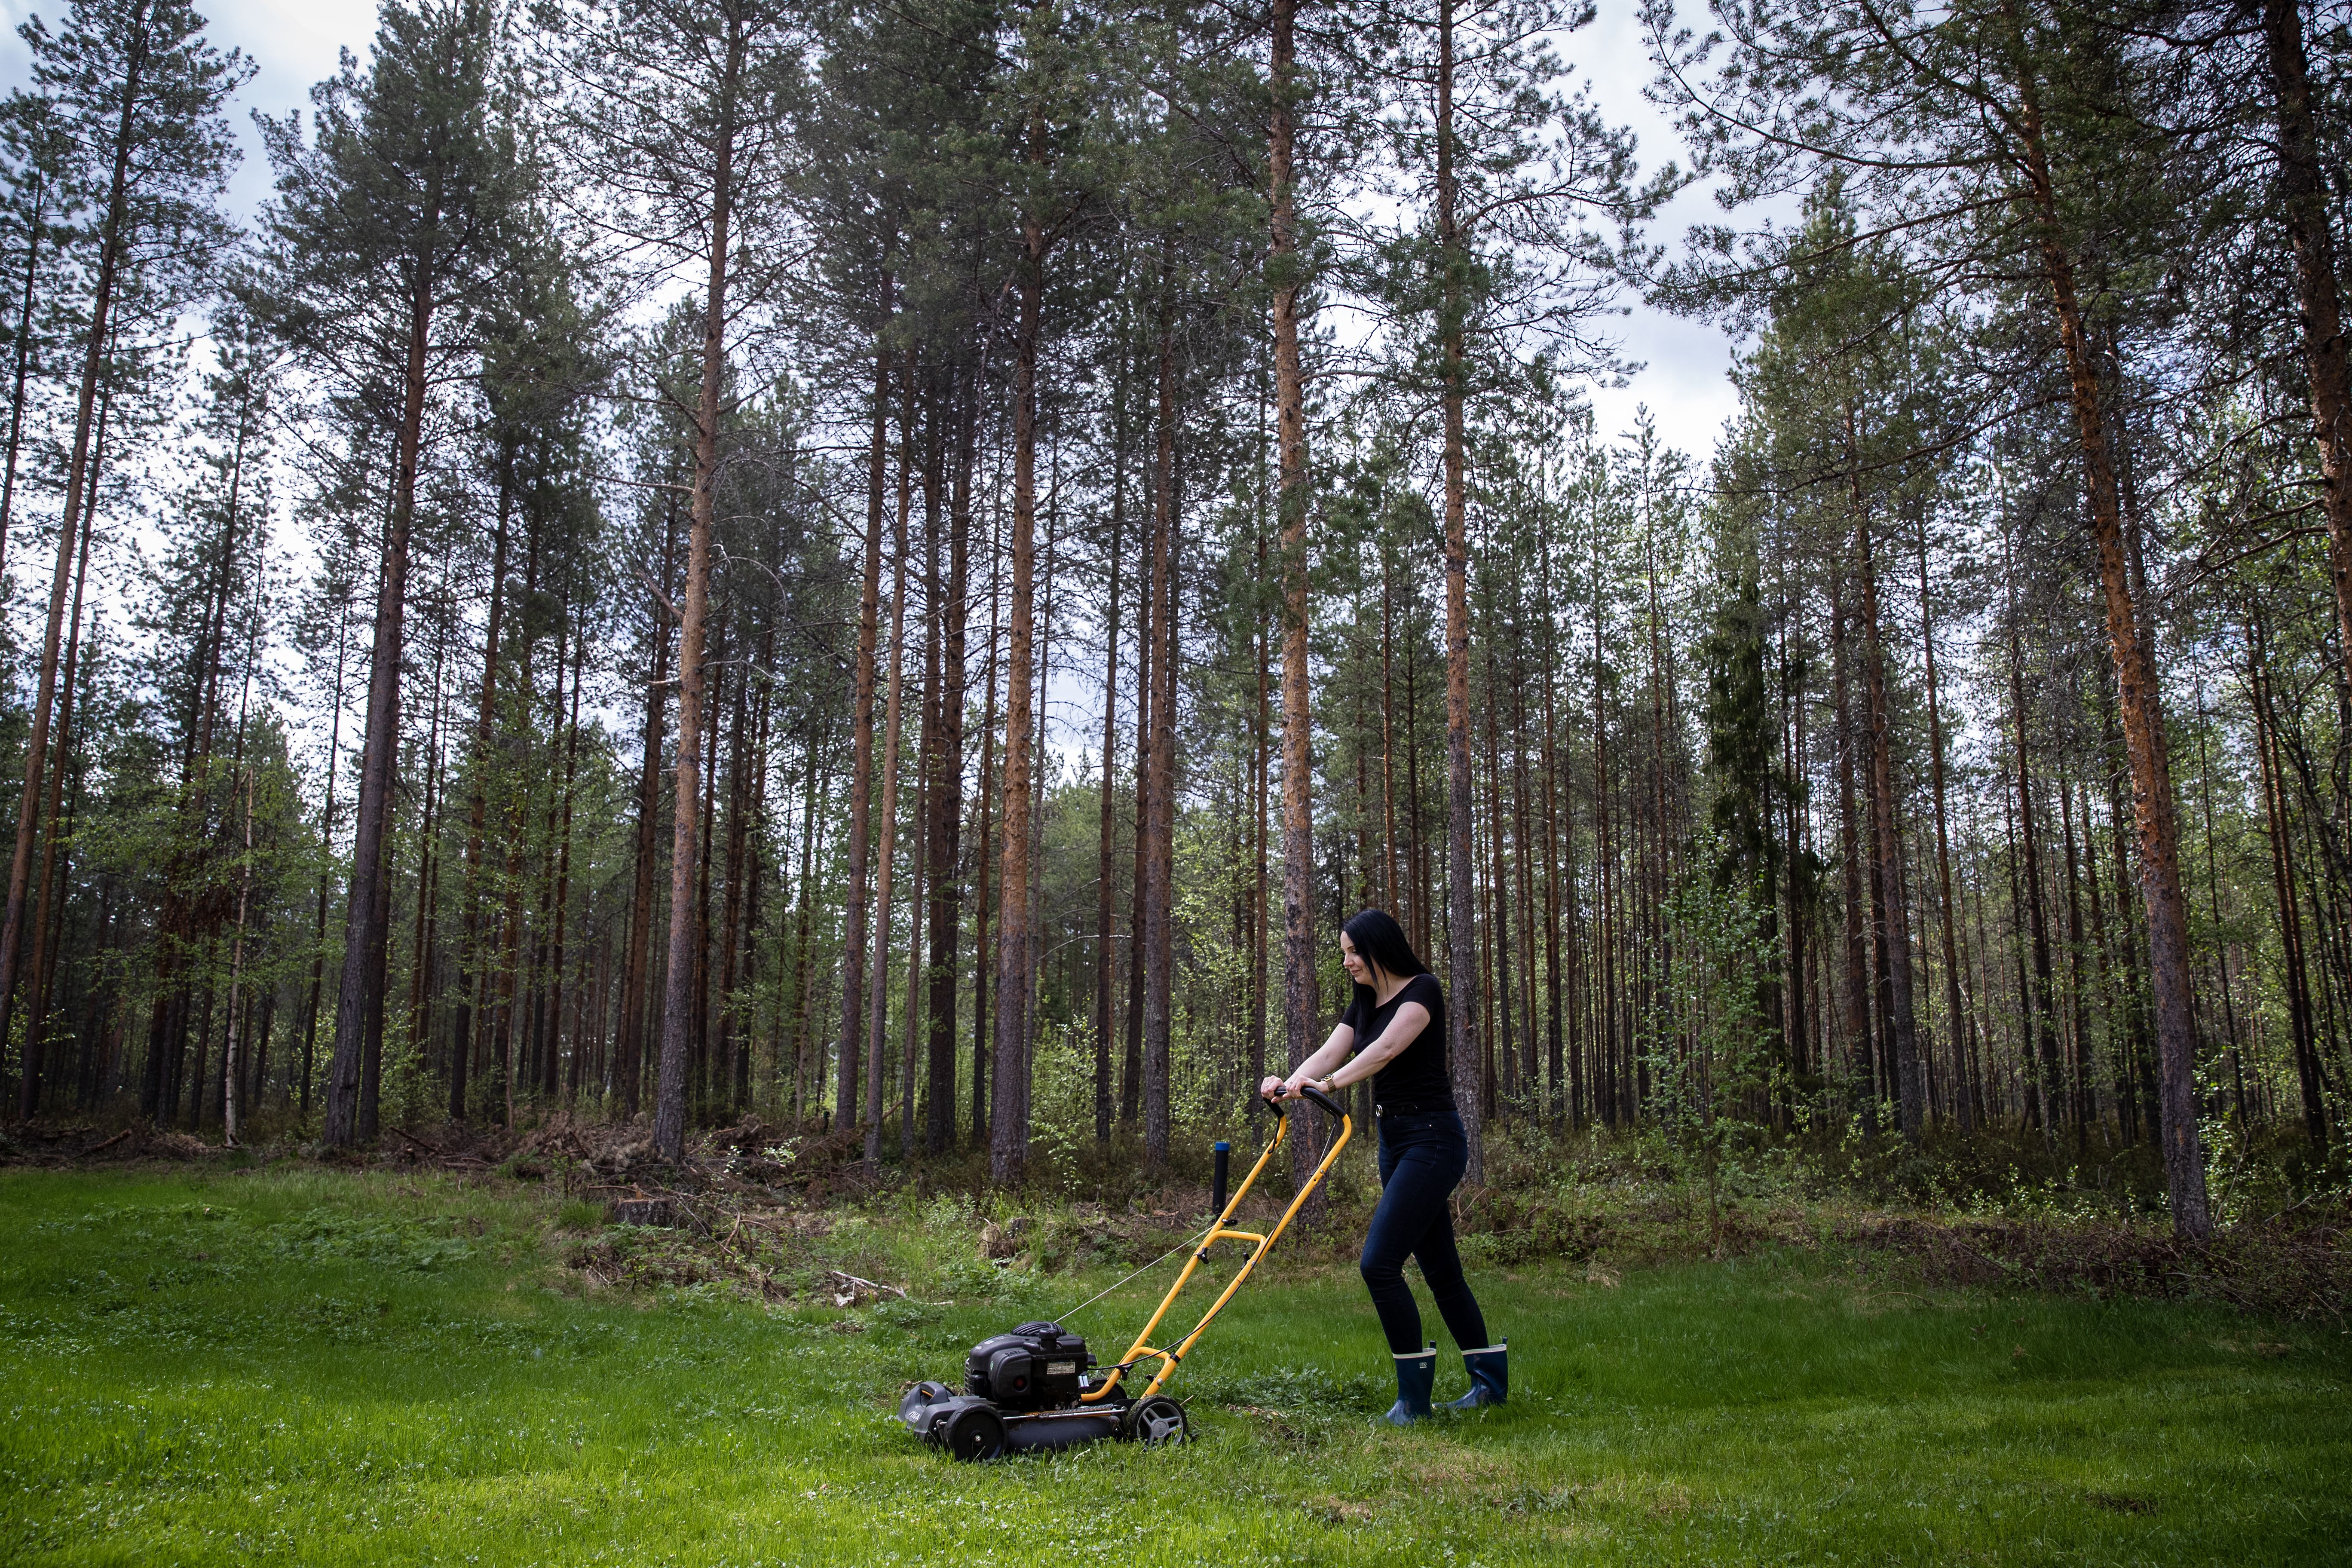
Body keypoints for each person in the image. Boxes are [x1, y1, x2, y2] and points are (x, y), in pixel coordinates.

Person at [1259, 909, 1505, 1424]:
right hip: (1396, 1141)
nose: (1348, 962)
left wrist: (1327, 1086)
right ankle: (1489, 1386)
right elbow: (1332, 1050)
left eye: (1354, 952)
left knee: (1379, 1264)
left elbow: (1386, 1050)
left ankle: (1413, 1403)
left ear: (1379, 947)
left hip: (1433, 1139)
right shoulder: (1365, 1000)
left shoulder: (1423, 991)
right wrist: (1291, 1081)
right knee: (1441, 1269)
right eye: (1344, 953)